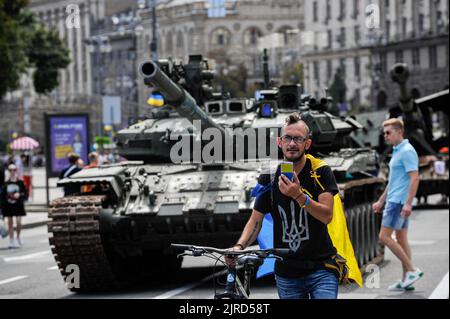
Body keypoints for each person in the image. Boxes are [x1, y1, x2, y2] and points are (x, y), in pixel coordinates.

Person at [226, 113, 341, 299]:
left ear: (307, 144)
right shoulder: (270, 178)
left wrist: (298, 195)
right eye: (288, 138)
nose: (292, 144)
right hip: (287, 273)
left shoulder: (320, 172)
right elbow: (256, 220)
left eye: (298, 139)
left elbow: (327, 216)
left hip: (321, 269)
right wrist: (239, 247)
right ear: (280, 142)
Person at [372, 118, 423, 291]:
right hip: (395, 200)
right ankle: (406, 280)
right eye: (384, 133)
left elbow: (415, 177)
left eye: (388, 132)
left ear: (399, 132)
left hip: (398, 202)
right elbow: (393, 181)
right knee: (401, 239)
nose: (385, 136)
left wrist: (408, 204)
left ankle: (412, 270)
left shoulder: (407, 151)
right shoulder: (398, 150)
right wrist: (380, 200)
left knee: (384, 237)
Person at [0, 164, 28, 248]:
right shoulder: (6, 183)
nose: (12, 171)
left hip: (18, 205)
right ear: (8, 171)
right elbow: (2, 196)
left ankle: (18, 237)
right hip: (8, 206)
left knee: (19, 222)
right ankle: (11, 240)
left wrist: (20, 194)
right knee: (10, 223)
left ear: (16, 170)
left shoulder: (20, 182)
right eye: (10, 170)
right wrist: (2, 206)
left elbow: (25, 193)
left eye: (14, 169)